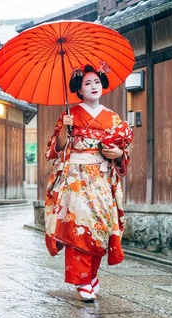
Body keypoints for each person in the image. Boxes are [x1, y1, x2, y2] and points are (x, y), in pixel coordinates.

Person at [44, 63, 133, 302]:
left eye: (96, 82)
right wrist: (65, 129)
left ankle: (92, 274)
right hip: (76, 178)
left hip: (102, 177)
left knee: (100, 226)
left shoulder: (113, 118)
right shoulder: (70, 115)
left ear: (102, 85)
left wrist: (118, 154)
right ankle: (82, 279)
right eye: (87, 83)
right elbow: (55, 149)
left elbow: (122, 152)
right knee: (78, 225)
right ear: (79, 89)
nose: (93, 86)